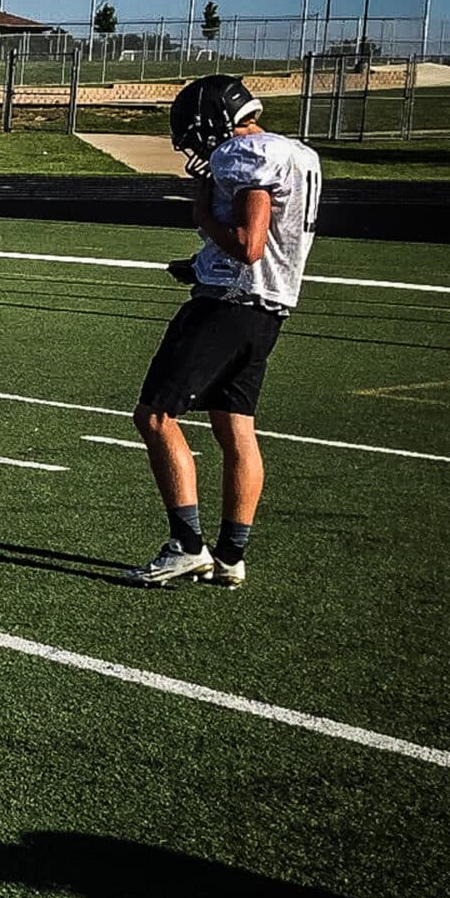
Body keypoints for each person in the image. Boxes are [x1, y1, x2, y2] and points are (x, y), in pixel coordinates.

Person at [124, 74, 323, 590]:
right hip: (268, 309)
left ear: (211, 121)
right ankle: (232, 554)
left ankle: (187, 546)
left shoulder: (242, 155)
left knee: (154, 415)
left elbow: (249, 243)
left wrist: (200, 218)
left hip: (227, 306)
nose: (193, 146)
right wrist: (200, 263)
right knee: (235, 429)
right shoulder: (296, 154)